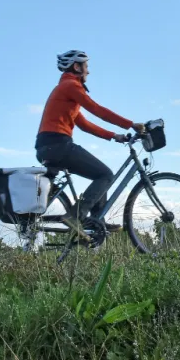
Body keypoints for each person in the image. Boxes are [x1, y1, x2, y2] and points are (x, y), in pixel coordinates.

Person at [35, 50, 145, 230]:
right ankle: (75, 216)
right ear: (76, 67)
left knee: (98, 174)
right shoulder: (71, 86)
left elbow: (85, 124)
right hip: (58, 145)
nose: (88, 71)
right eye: (86, 67)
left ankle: (96, 222)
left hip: (47, 146)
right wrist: (130, 124)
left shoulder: (65, 90)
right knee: (105, 175)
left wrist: (114, 136)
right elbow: (97, 109)